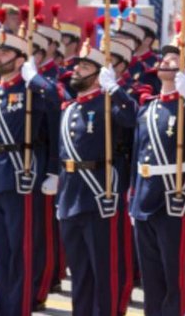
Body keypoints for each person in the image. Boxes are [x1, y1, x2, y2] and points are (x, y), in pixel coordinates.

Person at [0, 29, 60, 315]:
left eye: (6, 53)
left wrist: (53, 170)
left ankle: (19, 309)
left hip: (23, 175)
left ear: (22, 60)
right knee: (2, 253)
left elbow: (57, 109)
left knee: (21, 252)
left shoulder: (35, 89)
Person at [57, 38, 137, 315]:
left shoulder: (109, 103)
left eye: (85, 66)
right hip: (71, 197)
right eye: (77, 65)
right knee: (79, 276)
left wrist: (115, 89)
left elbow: (132, 119)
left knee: (107, 273)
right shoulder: (70, 108)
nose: (77, 70)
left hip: (101, 194)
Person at [131, 40, 185, 315]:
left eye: (176, 60)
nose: (167, 61)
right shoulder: (147, 108)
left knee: (180, 281)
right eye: (165, 58)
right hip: (145, 199)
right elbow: (137, 158)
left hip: (175, 200)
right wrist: (133, 198)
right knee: (152, 284)